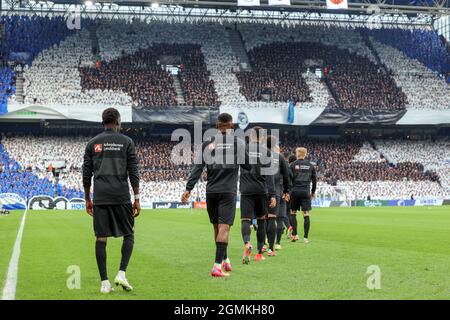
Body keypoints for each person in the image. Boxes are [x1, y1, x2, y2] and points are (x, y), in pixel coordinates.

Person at [181, 113, 250, 277]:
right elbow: (247, 165)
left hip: (211, 191)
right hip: (228, 191)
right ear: (232, 126)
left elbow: (197, 168)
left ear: (217, 126)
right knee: (224, 228)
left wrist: (188, 189)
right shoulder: (238, 143)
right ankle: (217, 266)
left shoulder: (207, 144)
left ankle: (225, 260)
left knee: (217, 227)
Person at [82, 108, 141, 293]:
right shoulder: (127, 142)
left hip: (100, 196)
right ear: (118, 121)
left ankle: (104, 283)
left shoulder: (93, 143)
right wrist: (137, 198)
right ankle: (121, 273)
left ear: (103, 122)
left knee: (101, 237)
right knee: (129, 233)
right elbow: (133, 172)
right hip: (121, 195)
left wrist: (87, 199)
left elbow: (86, 174)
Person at [240, 126, 276, 263]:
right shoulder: (266, 152)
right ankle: (259, 253)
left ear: (250, 135)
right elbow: (269, 175)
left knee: (245, 220)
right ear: (261, 137)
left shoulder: (243, 149)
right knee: (261, 220)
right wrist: (272, 194)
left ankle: (247, 243)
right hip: (261, 190)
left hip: (246, 189)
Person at [265, 136, 291, 253]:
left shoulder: (262, 157)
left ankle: (264, 242)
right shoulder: (279, 158)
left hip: (264, 191)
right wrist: (287, 191)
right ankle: (277, 244)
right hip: (278, 192)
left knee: (265, 218)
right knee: (279, 218)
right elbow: (287, 176)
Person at [289, 147, 316, 244]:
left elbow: (288, 179)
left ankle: (295, 234)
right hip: (305, 192)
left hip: (295, 191)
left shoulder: (292, 165)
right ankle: (305, 238)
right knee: (306, 214)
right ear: (305, 154)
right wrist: (312, 192)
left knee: (293, 213)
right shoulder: (310, 166)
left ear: (297, 154)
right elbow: (314, 180)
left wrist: (288, 191)